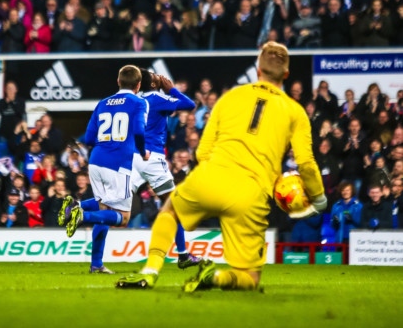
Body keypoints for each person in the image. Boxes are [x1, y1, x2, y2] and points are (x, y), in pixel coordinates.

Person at [117, 42, 327, 291]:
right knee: (250, 278)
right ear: (286, 75)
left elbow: (203, 151)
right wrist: (318, 198)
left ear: (257, 70)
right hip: (250, 193)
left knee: (170, 211)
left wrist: (217, 178)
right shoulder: (296, 111)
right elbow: (306, 164)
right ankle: (216, 277)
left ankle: (150, 270)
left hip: (210, 176)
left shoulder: (231, 97)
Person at [61, 65, 148, 274]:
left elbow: (89, 138)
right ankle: (82, 215)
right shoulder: (139, 102)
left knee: (105, 210)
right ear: (138, 85)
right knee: (123, 217)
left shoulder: (103, 103)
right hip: (118, 163)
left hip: (96, 161)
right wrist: (143, 151)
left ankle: (96, 264)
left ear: (118, 82)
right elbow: (138, 130)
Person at [129, 69, 199, 268]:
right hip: (152, 157)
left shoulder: (136, 100)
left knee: (115, 203)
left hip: (133, 157)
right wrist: (172, 89)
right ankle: (183, 255)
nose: (160, 76)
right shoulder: (158, 97)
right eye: (155, 75)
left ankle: (82, 211)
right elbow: (189, 105)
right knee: (173, 206)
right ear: (152, 84)